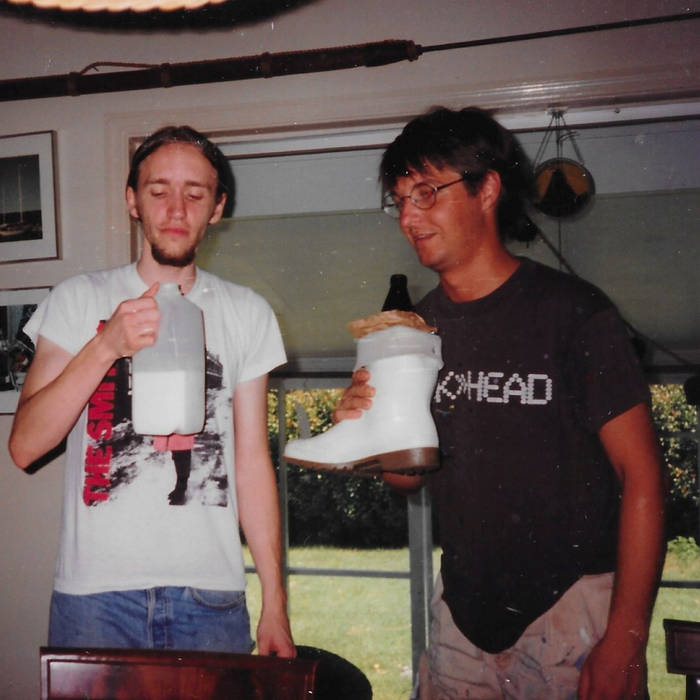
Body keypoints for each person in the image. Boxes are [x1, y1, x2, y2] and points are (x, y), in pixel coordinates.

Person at [334, 107, 665, 698]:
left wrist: (627, 638)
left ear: (487, 189)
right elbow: (406, 478)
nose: (408, 216)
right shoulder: (412, 331)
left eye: (426, 193)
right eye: (399, 200)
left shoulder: (575, 313)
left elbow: (642, 476)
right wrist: (368, 430)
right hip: (462, 613)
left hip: (572, 609)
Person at [8, 125, 295, 658]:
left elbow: (252, 461)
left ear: (217, 208)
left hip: (209, 595)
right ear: (132, 201)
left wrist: (275, 603)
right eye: (159, 191)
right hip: (94, 598)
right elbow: (25, 447)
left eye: (196, 194)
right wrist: (105, 345)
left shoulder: (247, 312)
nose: (176, 210)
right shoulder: (76, 299)